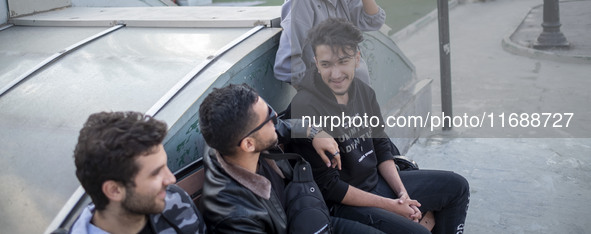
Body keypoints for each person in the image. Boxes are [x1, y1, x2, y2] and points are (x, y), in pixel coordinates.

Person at [289, 18, 470, 234]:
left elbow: (382, 146)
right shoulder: (305, 106)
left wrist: (403, 195)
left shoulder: (364, 92)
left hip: (377, 182)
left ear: (357, 58)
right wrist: (392, 206)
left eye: (343, 61)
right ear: (316, 63)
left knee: (457, 186)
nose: (335, 74)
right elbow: (330, 187)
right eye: (326, 64)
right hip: (344, 204)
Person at [198, 83, 384, 234]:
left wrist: (313, 132)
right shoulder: (234, 216)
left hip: (310, 213)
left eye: (269, 108)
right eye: (269, 116)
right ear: (248, 144)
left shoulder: (230, 140)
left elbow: (282, 126)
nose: (276, 116)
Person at [70, 111, 206, 234]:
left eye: (166, 165)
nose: (171, 179)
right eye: (155, 173)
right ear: (114, 190)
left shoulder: (175, 199)